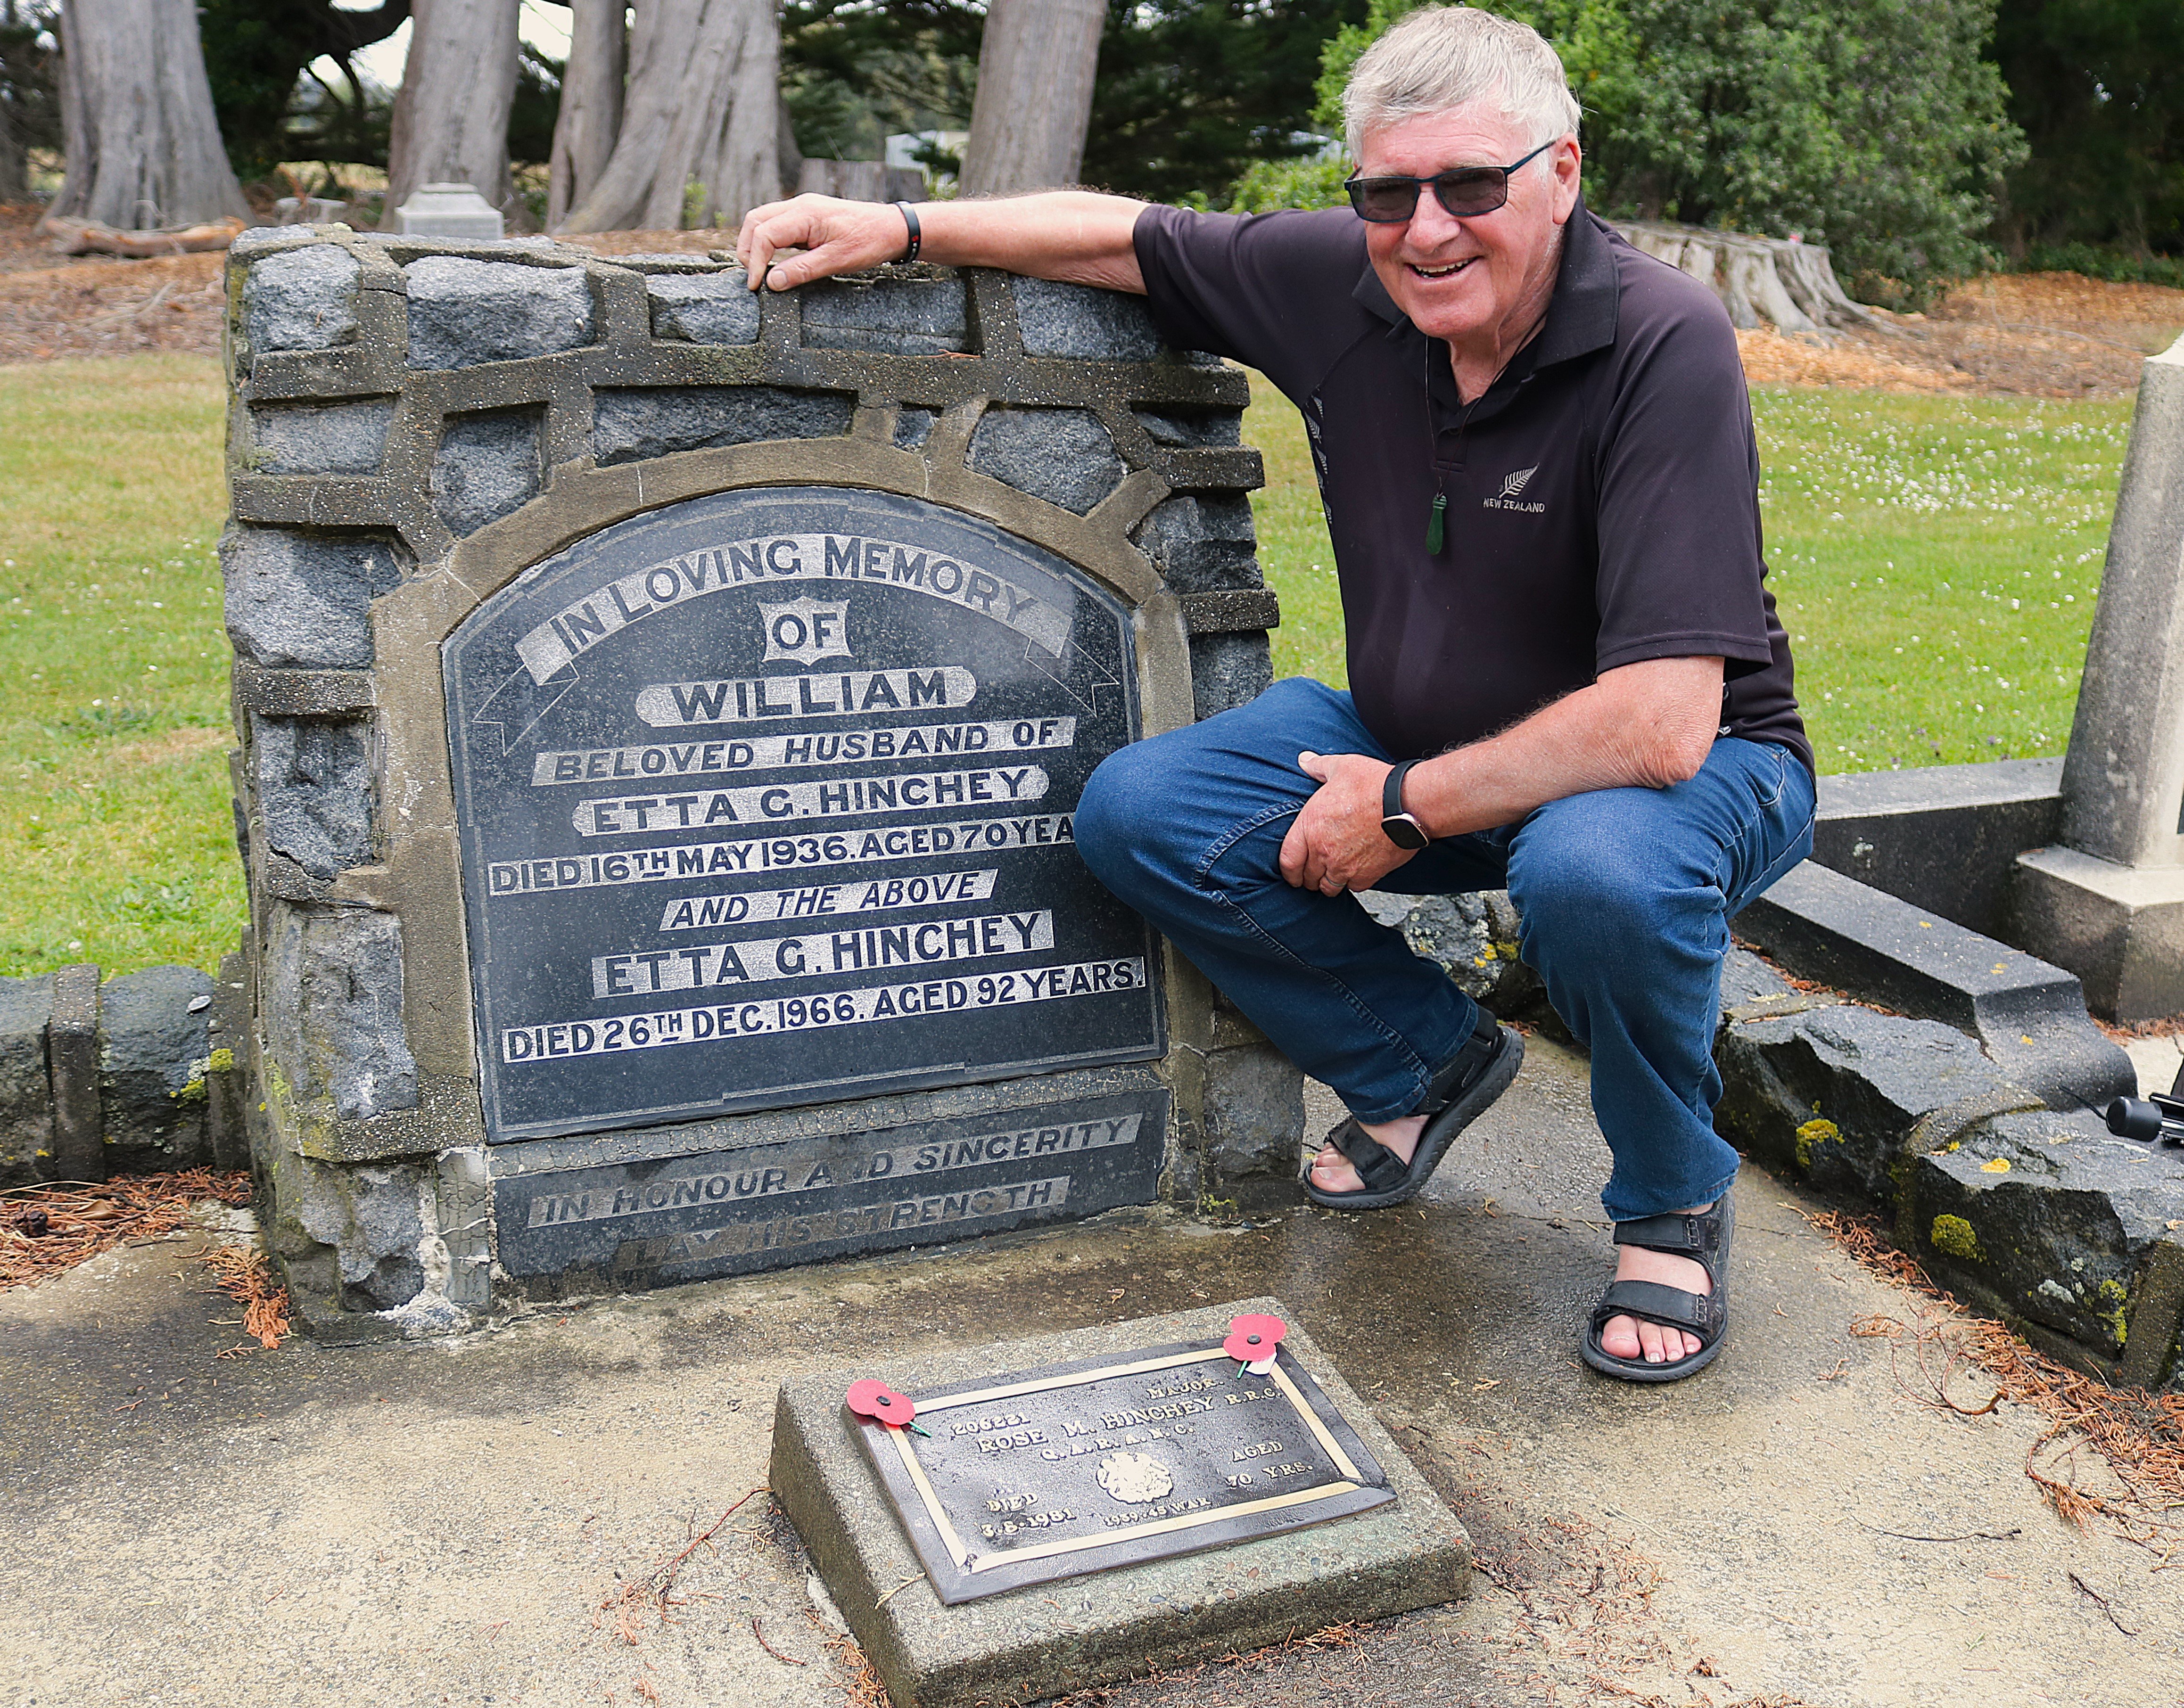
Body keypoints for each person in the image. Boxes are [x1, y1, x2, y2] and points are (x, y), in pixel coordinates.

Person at [737, 4, 1815, 1383]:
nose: (1426, 230)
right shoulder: (1352, 283)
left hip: (1691, 772)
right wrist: (899, 227)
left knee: (1594, 877)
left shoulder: (1664, 340)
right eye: (1387, 193)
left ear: (1560, 172)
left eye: (1469, 186)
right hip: (1413, 741)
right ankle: (1422, 1063)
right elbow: (1127, 238)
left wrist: (1405, 809)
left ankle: (1668, 1196)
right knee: (1143, 811)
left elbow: (1661, 720)